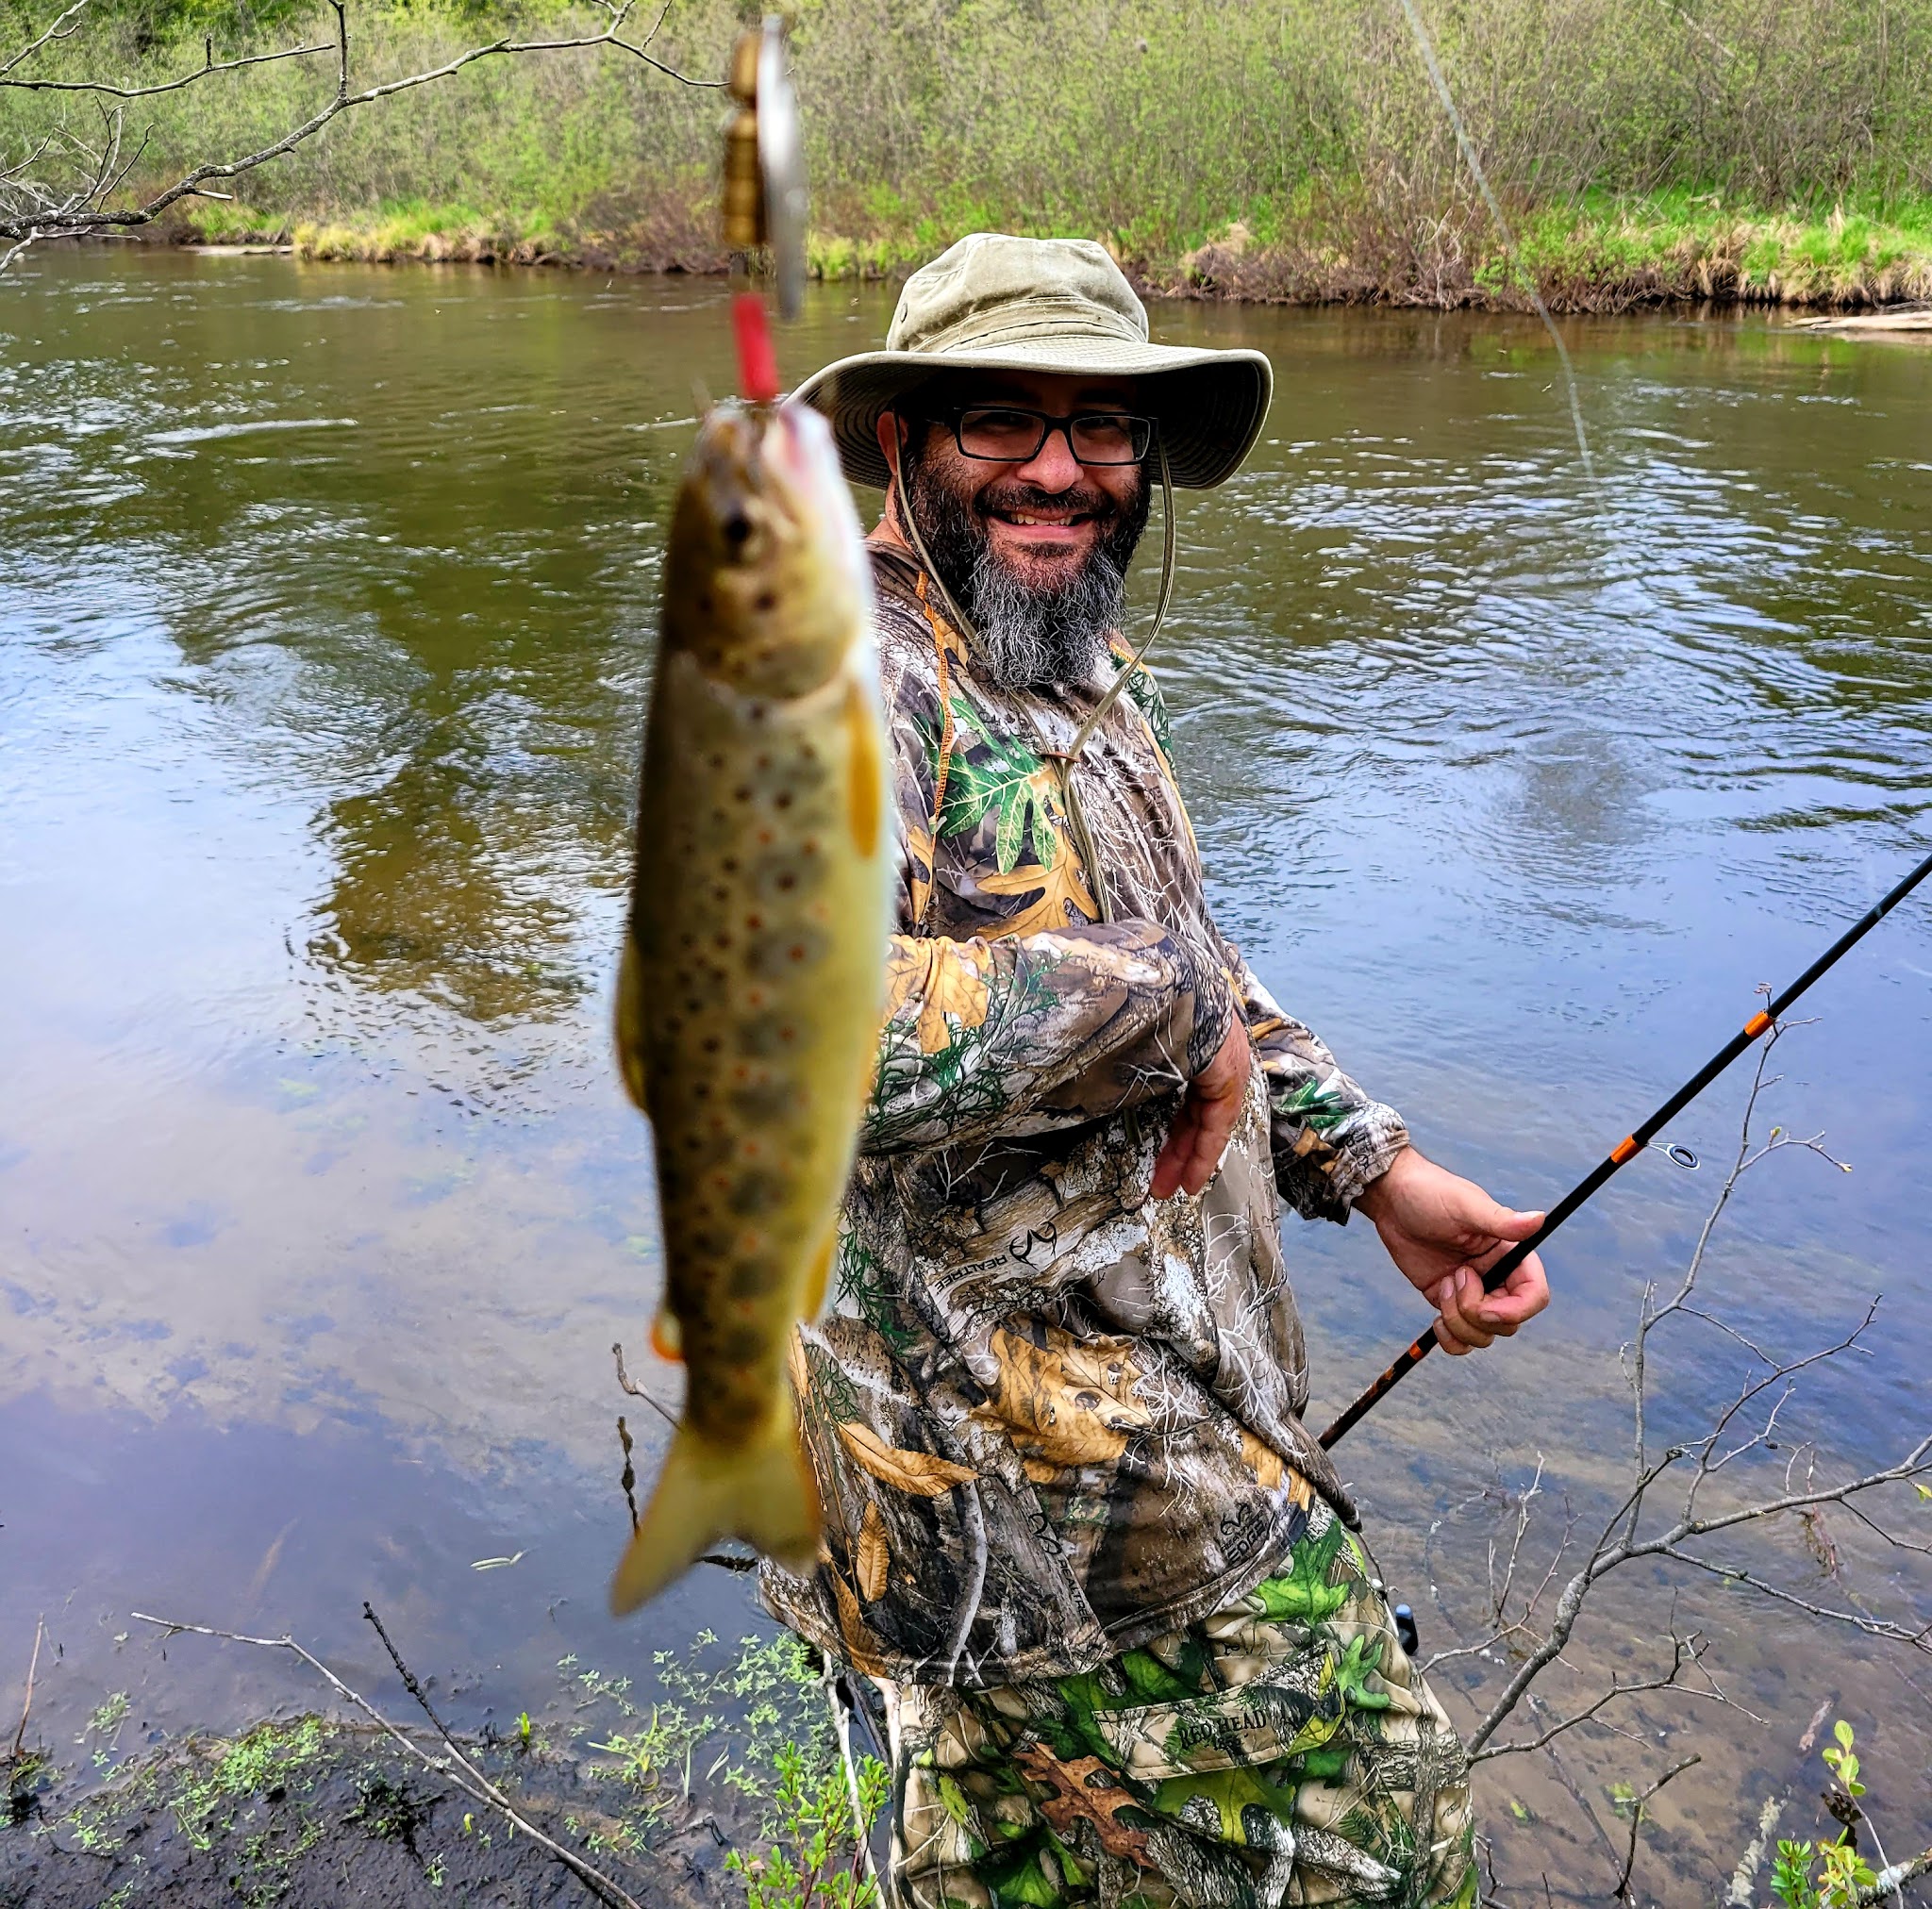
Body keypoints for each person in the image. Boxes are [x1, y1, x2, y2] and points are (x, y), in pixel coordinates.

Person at [768, 233, 1548, 1909]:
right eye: (1000, 420)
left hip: (1084, 1500)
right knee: (1397, 1873)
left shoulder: (1059, 654)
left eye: (1102, 428)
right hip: (1079, 1516)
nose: (1059, 470)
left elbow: (1193, 953)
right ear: (903, 435)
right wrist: (1170, 999)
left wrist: (1372, 1170)